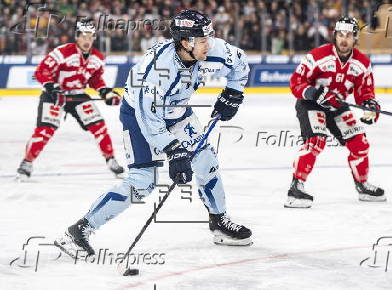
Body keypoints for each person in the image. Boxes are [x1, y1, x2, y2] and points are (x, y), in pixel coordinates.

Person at [55, 10, 252, 257]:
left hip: (178, 112)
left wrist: (233, 92)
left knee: (206, 161)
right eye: (203, 40)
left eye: (208, 37)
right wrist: (174, 150)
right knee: (142, 182)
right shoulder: (157, 72)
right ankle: (78, 231)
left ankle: (219, 220)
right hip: (138, 116)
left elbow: (240, 62)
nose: (208, 44)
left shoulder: (210, 49)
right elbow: (149, 121)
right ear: (185, 42)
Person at [286, 16, 386, 208]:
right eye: (341, 34)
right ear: (335, 35)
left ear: (355, 37)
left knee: (360, 144)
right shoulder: (317, 55)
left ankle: (362, 184)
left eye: (348, 35)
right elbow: (296, 82)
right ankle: (296, 187)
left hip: (337, 105)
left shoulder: (363, 63)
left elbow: (365, 92)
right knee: (316, 142)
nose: (344, 39)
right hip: (311, 104)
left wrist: (370, 106)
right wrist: (314, 93)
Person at [16, 20, 124, 181]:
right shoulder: (62, 52)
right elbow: (41, 71)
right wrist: (53, 87)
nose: (87, 40)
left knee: (99, 126)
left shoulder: (98, 58)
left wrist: (105, 92)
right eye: (84, 36)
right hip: (54, 96)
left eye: (91, 37)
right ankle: (27, 163)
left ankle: (111, 160)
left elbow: (95, 79)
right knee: (45, 131)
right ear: (77, 37)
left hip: (78, 95)